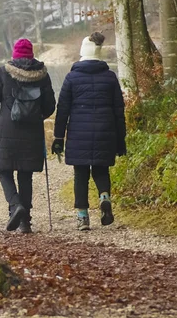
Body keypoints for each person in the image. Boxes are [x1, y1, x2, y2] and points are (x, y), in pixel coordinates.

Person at [52, 32, 126, 231]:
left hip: (78, 133)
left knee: (80, 174)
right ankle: (104, 197)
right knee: (101, 169)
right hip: (106, 131)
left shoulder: (71, 78)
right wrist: (121, 140)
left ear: (82, 53)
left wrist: (58, 137)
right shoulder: (110, 78)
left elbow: (63, 110)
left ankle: (83, 216)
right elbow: (119, 111)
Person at [0, 38, 56, 233]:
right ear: (31, 55)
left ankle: (15, 206)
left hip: (6, 130)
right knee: (26, 174)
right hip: (32, 132)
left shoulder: (3, 72)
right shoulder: (42, 75)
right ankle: (25, 223)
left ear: (15, 55)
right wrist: (38, 115)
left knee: (3, 169)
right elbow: (50, 106)